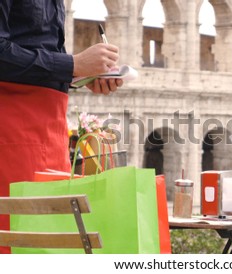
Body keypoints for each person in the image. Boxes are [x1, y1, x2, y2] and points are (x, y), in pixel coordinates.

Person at [0, 1, 123, 253]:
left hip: (51, 126)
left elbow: (37, 50)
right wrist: (72, 64)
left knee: (50, 238)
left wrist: (80, 75)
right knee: (17, 239)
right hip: (11, 123)